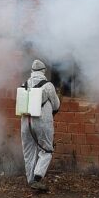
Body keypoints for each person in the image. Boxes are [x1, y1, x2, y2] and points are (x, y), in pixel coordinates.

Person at [21, 59, 60, 190]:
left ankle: (30, 180)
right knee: (46, 150)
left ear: (32, 71)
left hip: (25, 123)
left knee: (29, 151)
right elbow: (56, 105)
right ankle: (37, 178)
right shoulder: (48, 85)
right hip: (42, 122)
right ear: (43, 71)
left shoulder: (24, 84)